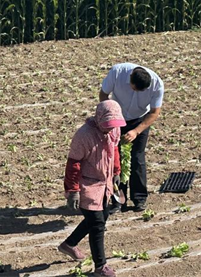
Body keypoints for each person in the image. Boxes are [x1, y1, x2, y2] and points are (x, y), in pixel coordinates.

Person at [59, 100, 127, 277]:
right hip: (86, 184)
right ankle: (100, 267)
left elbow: (115, 149)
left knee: (102, 216)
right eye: (107, 125)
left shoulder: (115, 130)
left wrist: (116, 171)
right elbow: (73, 164)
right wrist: (73, 191)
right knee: (97, 224)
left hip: (104, 182)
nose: (110, 129)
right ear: (98, 119)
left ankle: (69, 244)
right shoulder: (84, 135)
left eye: (113, 125)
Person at [99, 63, 164, 212]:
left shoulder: (157, 84)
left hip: (140, 120)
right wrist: (109, 117)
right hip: (117, 119)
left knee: (136, 158)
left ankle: (139, 199)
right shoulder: (117, 72)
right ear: (130, 79)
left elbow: (154, 112)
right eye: (134, 88)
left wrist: (136, 131)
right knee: (116, 161)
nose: (135, 91)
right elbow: (103, 94)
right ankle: (117, 201)